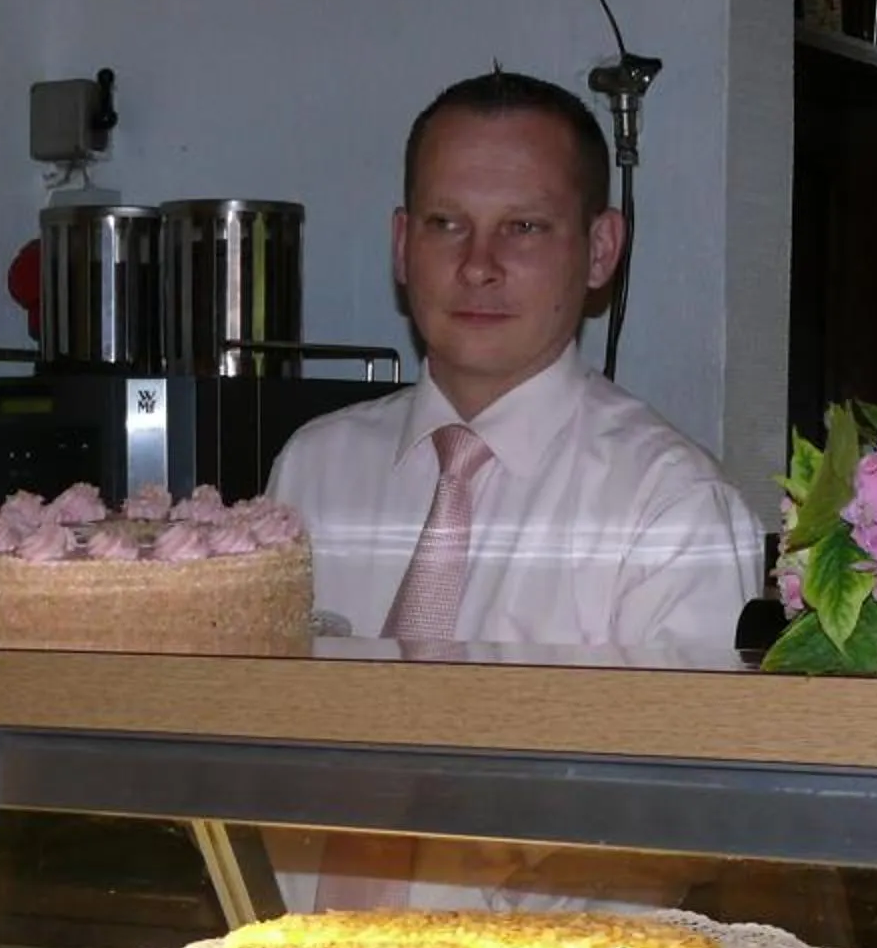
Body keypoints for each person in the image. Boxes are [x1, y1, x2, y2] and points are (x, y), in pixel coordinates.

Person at [267, 70, 760, 649]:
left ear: (600, 250)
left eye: (523, 227)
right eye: (446, 224)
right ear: (403, 245)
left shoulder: (669, 510)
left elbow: (682, 737)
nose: (478, 265)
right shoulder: (314, 472)